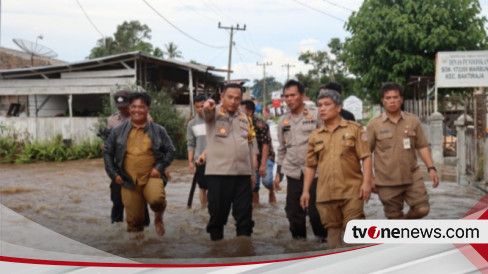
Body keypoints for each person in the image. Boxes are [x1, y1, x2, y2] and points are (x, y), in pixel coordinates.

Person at [300, 90, 372, 249]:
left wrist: (367, 183)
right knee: (333, 232)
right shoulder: (315, 136)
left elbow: (366, 157)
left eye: (327, 105)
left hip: (352, 191)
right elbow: (311, 165)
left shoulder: (355, 129)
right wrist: (306, 191)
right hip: (326, 193)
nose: (322, 109)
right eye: (320, 105)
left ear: (338, 108)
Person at [103, 92, 175, 239]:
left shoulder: (158, 130)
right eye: (134, 107)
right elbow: (107, 153)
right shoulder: (117, 131)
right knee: (134, 222)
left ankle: (158, 217)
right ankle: (138, 253)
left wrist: (159, 168)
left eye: (141, 107)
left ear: (148, 109)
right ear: (129, 108)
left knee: (156, 199)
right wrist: (113, 174)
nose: (137, 110)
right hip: (128, 179)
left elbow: (170, 150)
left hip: (151, 175)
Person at [366, 82, 439, 219]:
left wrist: (431, 168)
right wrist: (369, 178)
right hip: (386, 181)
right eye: (388, 98)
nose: (392, 101)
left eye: (395, 97)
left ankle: (403, 224)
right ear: (383, 101)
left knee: (423, 208)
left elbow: (422, 146)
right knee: (394, 217)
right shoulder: (373, 124)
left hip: (412, 177)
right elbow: (366, 153)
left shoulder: (412, 121)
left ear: (401, 99)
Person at [273, 79, 328, 241]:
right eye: (286, 96)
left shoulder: (316, 115)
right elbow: (282, 149)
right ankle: (299, 245)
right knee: (293, 212)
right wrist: (278, 174)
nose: (289, 99)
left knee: (316, 211)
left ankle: (322, 242)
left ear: (302, 96)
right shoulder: (283, 121)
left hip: (316, 172)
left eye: (293, 95)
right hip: (293, 173)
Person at [203, 83, 255, 241]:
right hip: (219, 174)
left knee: (245, 218)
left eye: (237, 98)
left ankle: (244, 253)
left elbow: (249, 144)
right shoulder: (214, 112)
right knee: (218, 217)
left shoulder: (244, 117)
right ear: (222, 97)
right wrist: (207, 107)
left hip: (243, 175)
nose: (233, 101)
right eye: (230, 97)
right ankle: (217, 254)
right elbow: (206, 113)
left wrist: (251, 173)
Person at [105, 90, 150, 227]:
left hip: (138, 165)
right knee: (117, 200)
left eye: (124, 106)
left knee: (140, 199)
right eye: (119, 107)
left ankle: (145, 229)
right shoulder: (112, 120)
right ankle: (116, 228)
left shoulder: (144, 118)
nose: (122, 109)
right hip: (118, 167)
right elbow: (109, 145)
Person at [241, 99, 276, 204]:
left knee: (267, 181)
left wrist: (263, 165)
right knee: (254, 185)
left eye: (242, 111)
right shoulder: (240, 123)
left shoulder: (261, 124)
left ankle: (271, 190)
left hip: (266, 156)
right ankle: (256, 211)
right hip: (249, 158)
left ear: (250, 112)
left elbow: (266, 145)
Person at [187, 94, 208, 208]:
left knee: (215, 188)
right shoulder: (192, 124)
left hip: (216, 159)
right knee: (202, 187)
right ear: (194, 107)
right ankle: (203, 210)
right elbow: (191, 144)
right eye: (198, 107)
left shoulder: (213, 120)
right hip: (200, 161)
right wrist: (190, 162)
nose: (200, 109)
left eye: (202, 106)